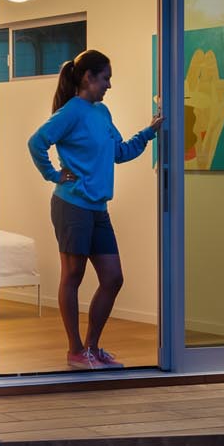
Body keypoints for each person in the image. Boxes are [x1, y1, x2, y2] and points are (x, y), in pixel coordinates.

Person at [27, 48, 162, 370]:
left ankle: (92, 347)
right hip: (71, 204)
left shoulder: (102, 113)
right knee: (73, 275)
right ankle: (76, 350)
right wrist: (53, 174)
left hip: (98, 207)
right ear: (88, 77)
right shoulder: (71, 111)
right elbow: (37, 142)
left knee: (113, 278)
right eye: (106, 79)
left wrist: (150, 132)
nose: (109, 86)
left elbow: (119, 152)